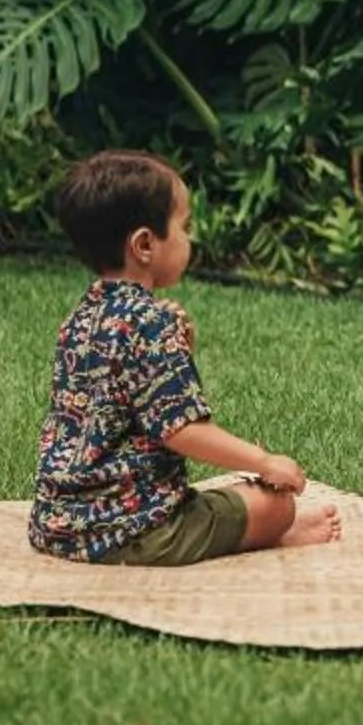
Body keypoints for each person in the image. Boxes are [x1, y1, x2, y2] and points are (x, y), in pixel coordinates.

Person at [29, 150, 340, 563]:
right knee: (275, 505)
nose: (190, 237)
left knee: (238, 499)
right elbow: (181, 430)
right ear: (144, 244)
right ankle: (276, 537)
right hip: (137, 533)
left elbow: (122, 400)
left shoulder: (79, 318)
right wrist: (264, 462)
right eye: (184, 226)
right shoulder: (149, 324)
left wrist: (178, 355)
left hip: (57, 526)